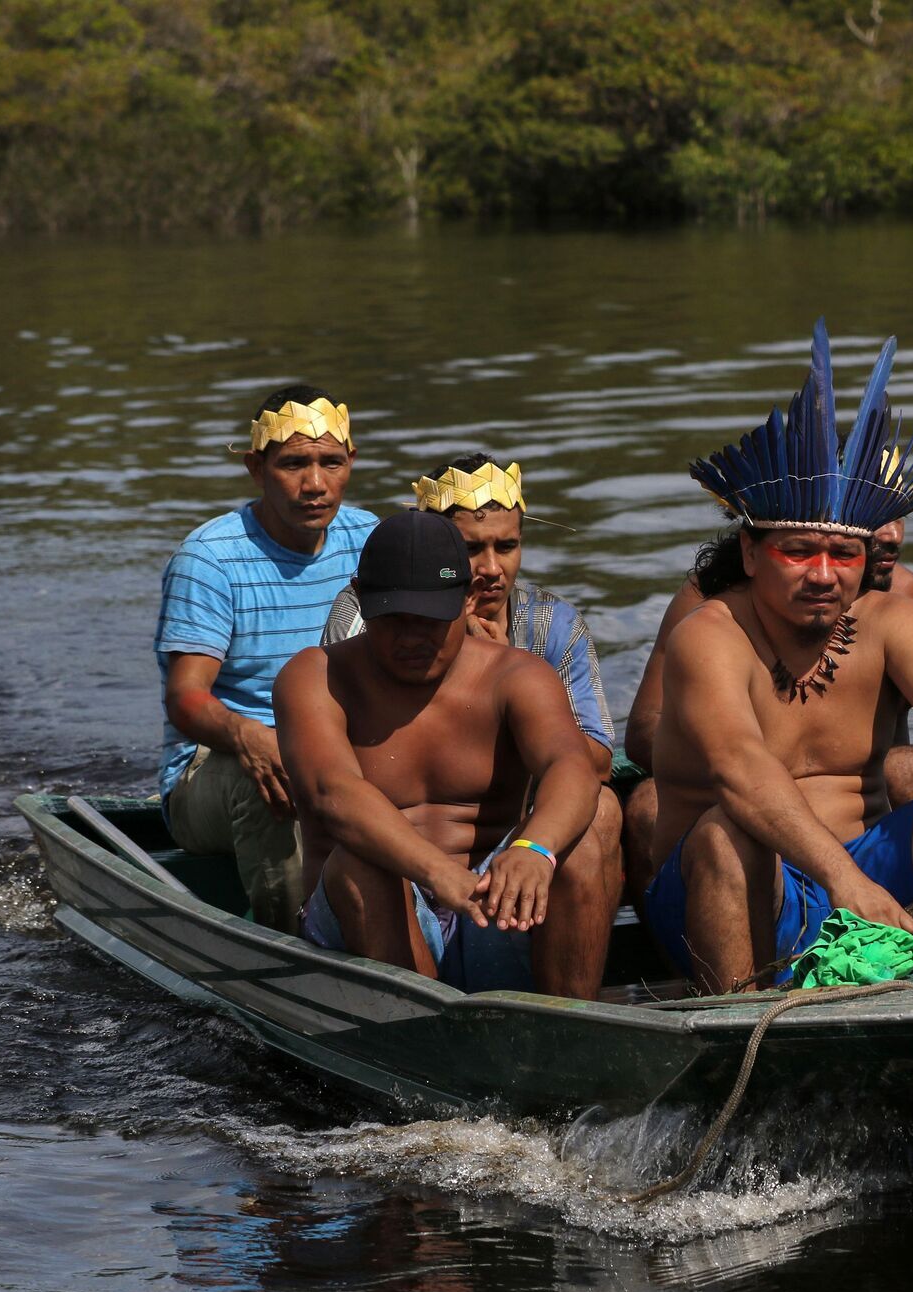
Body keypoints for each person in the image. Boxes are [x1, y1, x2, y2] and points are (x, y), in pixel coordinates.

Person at [643, 318, 913, 993]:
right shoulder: (709, 634)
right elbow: (741, 770)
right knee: (724, 833)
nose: (823, 574)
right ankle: (745, 1040)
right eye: (798, 551)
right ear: (750, 552)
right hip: (730, 890)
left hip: (862, 876)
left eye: (843, 555)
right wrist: (844, 881)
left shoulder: (889, 620)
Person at [276, 511, 606, 996]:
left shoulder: (517, 675)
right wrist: (437, 872)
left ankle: (569, 1034)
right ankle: (417, 1040)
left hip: (491, 909)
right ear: (362, 602)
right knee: (363, 862)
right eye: (394, 619)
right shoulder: (314, 676)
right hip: (365, 919)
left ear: (469, 600)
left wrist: (534, 851)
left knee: (593, 824)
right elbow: (334, 793)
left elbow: (571, 766)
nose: (412, 639)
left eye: (430, 621)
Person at [318, 452, 622, 921]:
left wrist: (505, 691)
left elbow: (595, 761)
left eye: (506, 546)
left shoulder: (552, 624)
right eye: (471, 548)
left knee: (599, 811)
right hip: (390, 856)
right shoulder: (362, 616)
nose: (491, 568)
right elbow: (337, 771)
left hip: (509, 840)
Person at [620, 515, 913, 901]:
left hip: (864, 837)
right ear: (751, 555)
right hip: (741, 839)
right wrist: (713, 747)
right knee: (665, 808)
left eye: (895, 516)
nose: (891, 534)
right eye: (799, 551)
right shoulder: (711, 612)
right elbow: (649, 733)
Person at [155, 385, 374, 933]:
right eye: (294, 464)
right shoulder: (210, 559)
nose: (315, 484)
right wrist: (248, 736)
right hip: (221, 768)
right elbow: (186, 699)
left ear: (352, 463)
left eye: (331, 463)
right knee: (272, 779)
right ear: (257, 468)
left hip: (334, 750)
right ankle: (289, 945)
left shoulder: (371, 538)